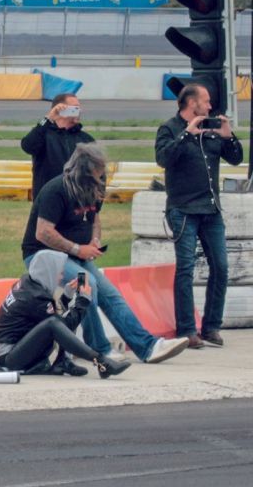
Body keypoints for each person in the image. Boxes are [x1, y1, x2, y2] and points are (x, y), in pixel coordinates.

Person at [21, 143, 189, 364]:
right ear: (83, 170)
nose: (100, 179)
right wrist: (77, 249)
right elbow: (43, 232)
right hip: (43, 256)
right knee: (87, 283)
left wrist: (95, 241)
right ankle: (99, 349)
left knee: (111, 294)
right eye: (97, 173)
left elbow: (95, 220)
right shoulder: (56, 190)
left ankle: (148, 347)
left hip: (75, 254)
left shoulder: (93, 188)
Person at [154, 83, 244, 348]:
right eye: (206, 101)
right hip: (183, 209)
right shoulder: (169, 128)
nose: (210, 106)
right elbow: (163, 159)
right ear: (192, 103)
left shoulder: (211, 129)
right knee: (186, 268)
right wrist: (186, 134)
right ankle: (186, 329)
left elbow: (236, 159)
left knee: (221, 267)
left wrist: (229, 136)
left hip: (211, 210)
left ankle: (211, 326)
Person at [0, 250, 131, 379]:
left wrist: (67, 296)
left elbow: (57, 319)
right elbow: (62, 325)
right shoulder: (35, 297)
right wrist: (83, 301)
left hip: (14, 350)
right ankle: (101, 361)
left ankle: (63, 361)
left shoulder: (29, 283)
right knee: (54, 323)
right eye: (59, 272)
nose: (62, 277)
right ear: (48, 272)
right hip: (9, 359)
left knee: (59, 320)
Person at [21, 92, 95, 198]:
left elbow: (96, 173)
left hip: (76, 200)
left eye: (79, 108)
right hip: (47, 198)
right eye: (75, 108)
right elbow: (28, 146)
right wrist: (48, 118)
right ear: (61, 109)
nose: (79, 111)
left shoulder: (86, 139)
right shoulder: (44, 135)